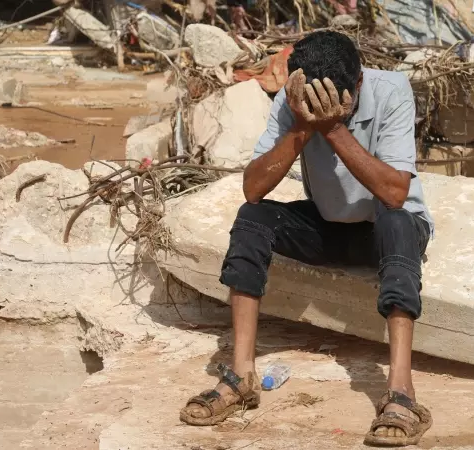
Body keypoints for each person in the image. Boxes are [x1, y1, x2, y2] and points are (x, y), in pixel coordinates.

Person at [179, 30, 434, 447]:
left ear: (357, 85)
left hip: (391, 229)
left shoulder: (393, 91)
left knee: (396, 221)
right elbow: (253, 189)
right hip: (330, 227)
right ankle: (242, 375)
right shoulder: (293, 99)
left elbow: (394, 192)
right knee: (253, 218)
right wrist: (300, 128)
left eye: (334, 98)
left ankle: (401, 392)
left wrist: (332, 128)